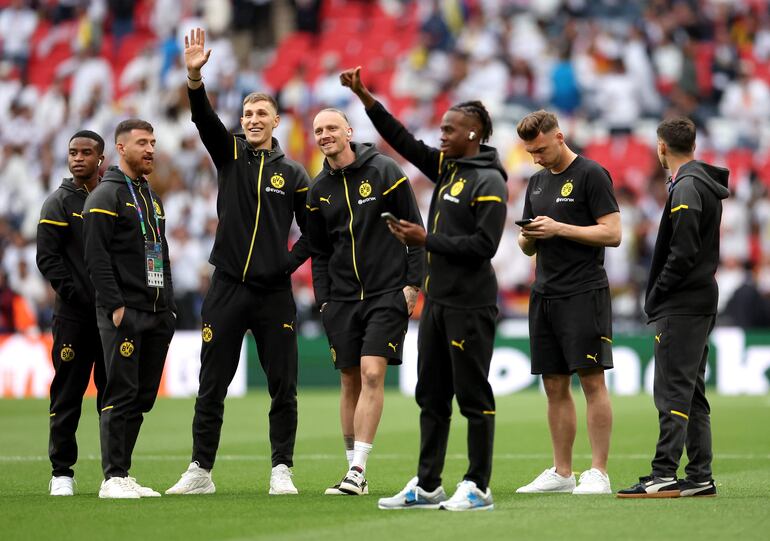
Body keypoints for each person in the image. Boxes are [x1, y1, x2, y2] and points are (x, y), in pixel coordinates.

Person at [341, 66, 507, 511]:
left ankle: (478, 485)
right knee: (431, 396)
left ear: (473, 133)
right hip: (437, 304)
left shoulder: (488, 181)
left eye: (450, 129)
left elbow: (484, 246)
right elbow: (404, 142)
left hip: (470, 305)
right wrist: (366, 97)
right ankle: (429, 484)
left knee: (473, 397)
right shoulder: (450, 168)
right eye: (441, 128)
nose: (441, 135)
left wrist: (424, 239)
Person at [166, 28, 310, 496]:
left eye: (260, 114)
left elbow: (317, 235)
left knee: (282, 387)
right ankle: (200, 470)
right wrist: (194, 77)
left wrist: (286, 265)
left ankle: (281, 469)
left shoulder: (293, 174)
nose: (251, 120)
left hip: (273, 294)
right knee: (212, 384)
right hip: (226, 287)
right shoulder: (228, 154)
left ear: (275, 121)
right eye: (247, 113)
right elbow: (204, 118)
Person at [307, 107, 423, 496]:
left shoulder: (385, 171)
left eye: (331, 128)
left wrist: (413, 283)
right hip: (340, 300)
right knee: (349, 379)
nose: (324, 135)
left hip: (386, 293)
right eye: (318, 130)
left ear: (349, 132)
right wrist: (323, 299)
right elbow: (319, 252)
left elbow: (415, 229)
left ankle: (358, 469)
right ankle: (351, 470)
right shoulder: (317, 189)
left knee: (373, 372)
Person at [618, 117, 728, 498]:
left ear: (661, 146)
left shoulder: (687, 187)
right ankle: (699, 476)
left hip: (681, 303)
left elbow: (682, 253)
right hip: (699, 298)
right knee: (692, 391)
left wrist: (656, 294)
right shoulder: (701, 183)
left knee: (672, 392)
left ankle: (663, 472)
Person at [515, 110, 621, 495]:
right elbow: (527, 244)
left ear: (559, 137)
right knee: (554, 385)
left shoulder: (592, 174)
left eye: (540, 149)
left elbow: (613, 233)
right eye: (530, 152)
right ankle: (562, 473)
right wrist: (529, 237)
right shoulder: (537, 181)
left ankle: (598, 472)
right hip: (544, 293)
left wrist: (559, 228)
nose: (536, 158)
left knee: (592, 382)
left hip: (583, 291)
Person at [83, 119, 176, 499]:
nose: (150, 149)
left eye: (153, 142)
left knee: (142, 397)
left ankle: (124, 472)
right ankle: (112, 477)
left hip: (156, 312)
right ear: (121, 148)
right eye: (142, 143)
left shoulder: (150, 198)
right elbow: (96, 258)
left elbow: (161, 255)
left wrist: (168, 308)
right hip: (125, 313)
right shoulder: (105, 196)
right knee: (120, 393)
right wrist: (116, 307)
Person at [36, 130, 107, 496]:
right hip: (75, 318)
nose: (78, 158)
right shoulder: (58, 203)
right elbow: (47, 259)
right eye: (72, 152)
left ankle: (116, 472)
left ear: (101, 159)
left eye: (86, 152)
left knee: (113, 397)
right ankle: (62, 471)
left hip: (112, 316)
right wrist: (77, 295)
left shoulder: (113, 197)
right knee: (67, 393)